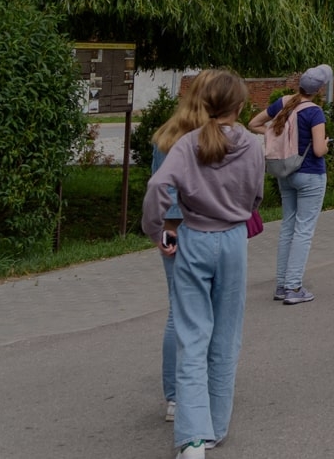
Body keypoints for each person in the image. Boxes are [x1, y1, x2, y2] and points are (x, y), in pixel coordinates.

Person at [142, 70, 264, 459]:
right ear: (240, 106)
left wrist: (154, 228)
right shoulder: (253, 145)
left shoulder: (186, 145)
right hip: (232, 240)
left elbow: (157, 187)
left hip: (194, 238)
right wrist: (241, 211)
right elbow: (258, 196)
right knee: (226, 335)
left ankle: (193, 438)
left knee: (192, 335)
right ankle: (216, 425)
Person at [150, 71, 219, 425]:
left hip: (169, 231)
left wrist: (167, 227)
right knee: (205, 311)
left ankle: (175, 396)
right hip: (201, 231)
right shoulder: (207, 138)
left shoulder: (165, 135)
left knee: (179, 313)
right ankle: (192, 389)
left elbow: (160, 189)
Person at [248, 65, 331, 305]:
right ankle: (294, 287)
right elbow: (318, 150)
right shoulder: (315, 112)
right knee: (304, 230)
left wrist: (275, 135)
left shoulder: (283, 102)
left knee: (288, 228)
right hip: (310, 176)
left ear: (300, 85)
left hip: (285, 172)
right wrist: (326, 143)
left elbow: (254, 123)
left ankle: (282, 285)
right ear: (319, 89)